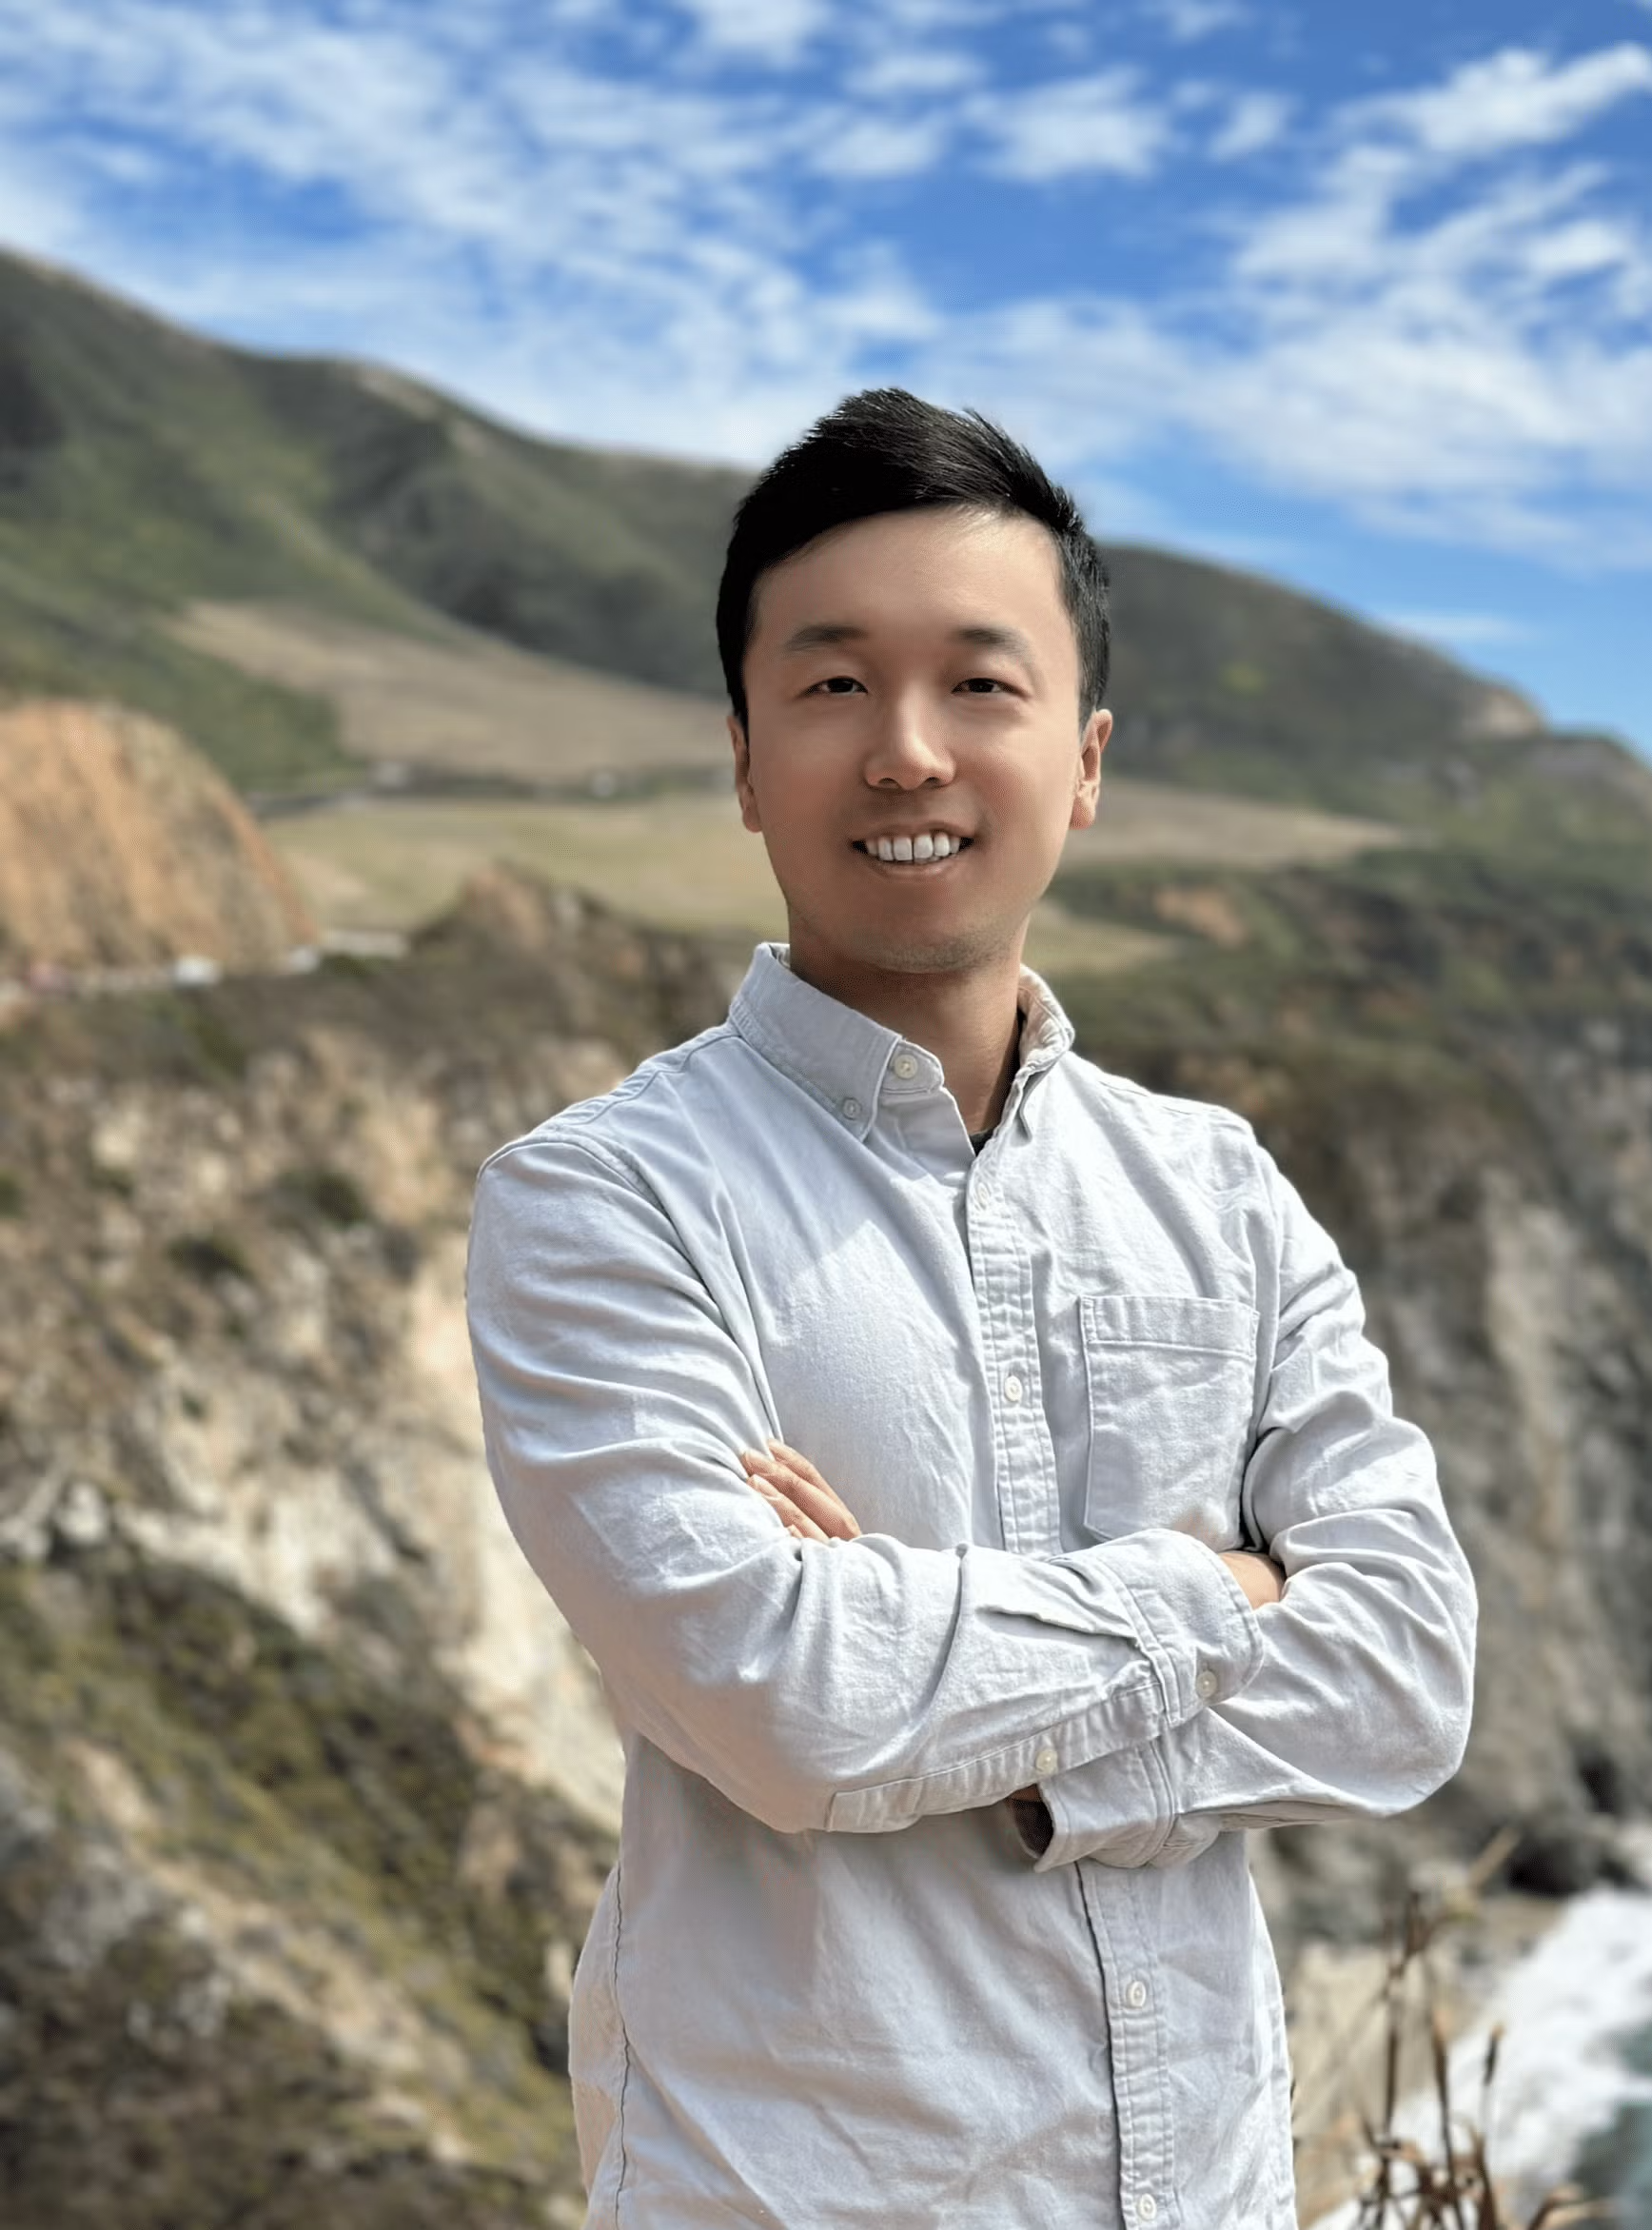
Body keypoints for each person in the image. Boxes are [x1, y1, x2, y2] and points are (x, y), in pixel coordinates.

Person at [464, 387, 1479, 2230]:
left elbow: (1409, 1671)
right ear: (747, 755)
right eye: (835, 685)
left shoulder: (1219, 1188)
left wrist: (998, 1737)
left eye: (980, 685)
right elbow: (786, 1701)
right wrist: (1220, 1588)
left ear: (1083, 758)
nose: (909, 751)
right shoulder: (601, 1198)